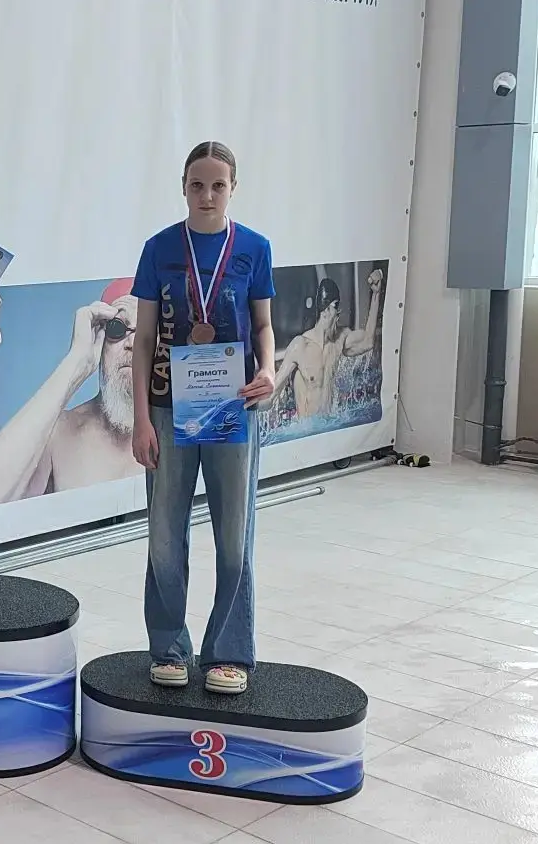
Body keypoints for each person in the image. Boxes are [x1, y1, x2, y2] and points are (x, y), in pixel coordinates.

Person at [131, 141, 276, 696]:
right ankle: (169, 646)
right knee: (165, 537)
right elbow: (144, 339)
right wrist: (141, 418)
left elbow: (263, 326)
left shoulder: (254, 249)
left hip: (233, 408)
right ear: (183, 187)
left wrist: (270, 369)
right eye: (197, 185)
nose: (207, 195)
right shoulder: (159, 249)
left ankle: (228, 651)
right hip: (168, 408)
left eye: (218, 185)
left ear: (233, 188)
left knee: (234, 536)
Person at [0, 278, 140, 501]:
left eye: (148, 333)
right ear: (100, 339)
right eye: (118, 328)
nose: (133, 343)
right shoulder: (58, 433)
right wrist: (77, 361)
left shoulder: (179, 431)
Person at [269, 269, 384, 418]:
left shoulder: (339, 340)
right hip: (307, 428)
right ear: (326, 311)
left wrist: (376, 294)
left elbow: (368, 341)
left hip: (329, 424)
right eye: (337, 313)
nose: (338, 319)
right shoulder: (300, 346)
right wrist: (250, 403)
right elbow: (273, 393)